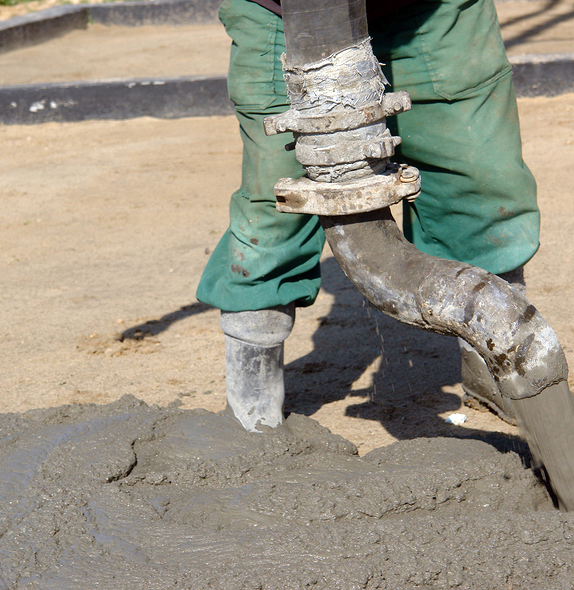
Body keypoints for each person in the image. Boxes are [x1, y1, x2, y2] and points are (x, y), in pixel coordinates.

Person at [197, 0, 540, 432]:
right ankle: (252, 404)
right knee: (273, 205)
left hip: (430, 11)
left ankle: (502, 375)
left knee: (477, 176)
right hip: (277, 12)